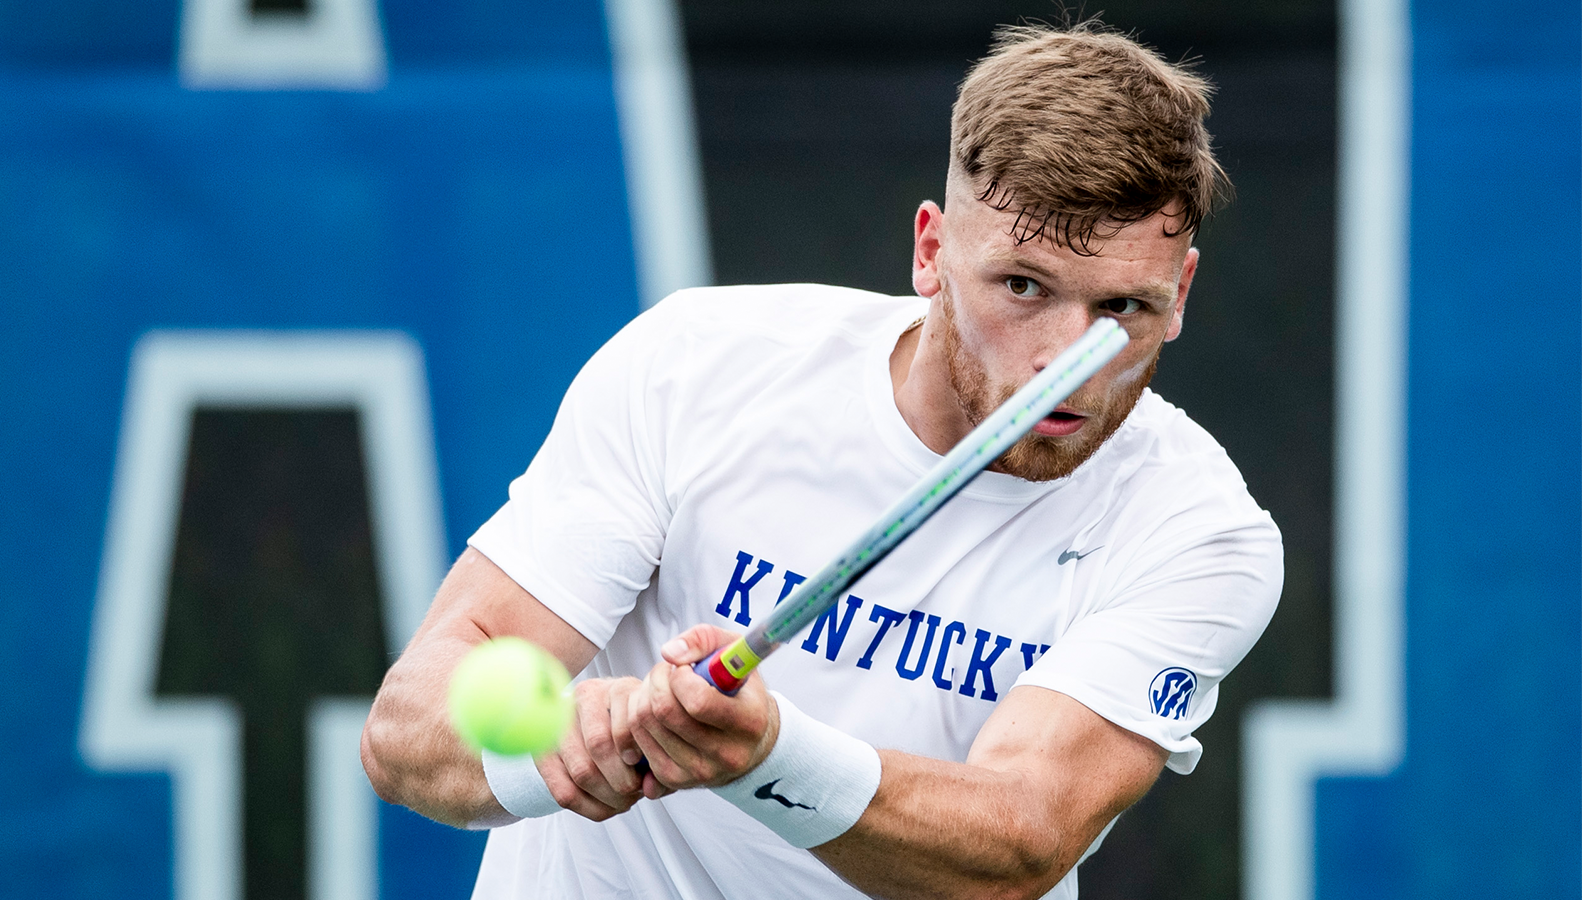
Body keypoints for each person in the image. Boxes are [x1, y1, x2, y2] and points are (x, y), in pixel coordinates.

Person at [362, 22, 1282, 900]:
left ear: (1183, 289)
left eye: (1125, 308)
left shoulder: (1198, 531)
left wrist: (767, 756)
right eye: (1023, 287)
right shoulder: (698, 365)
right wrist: (555, 748)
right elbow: (407, 731)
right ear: (931, 250)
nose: (1066, 358)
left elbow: (1022, 837)